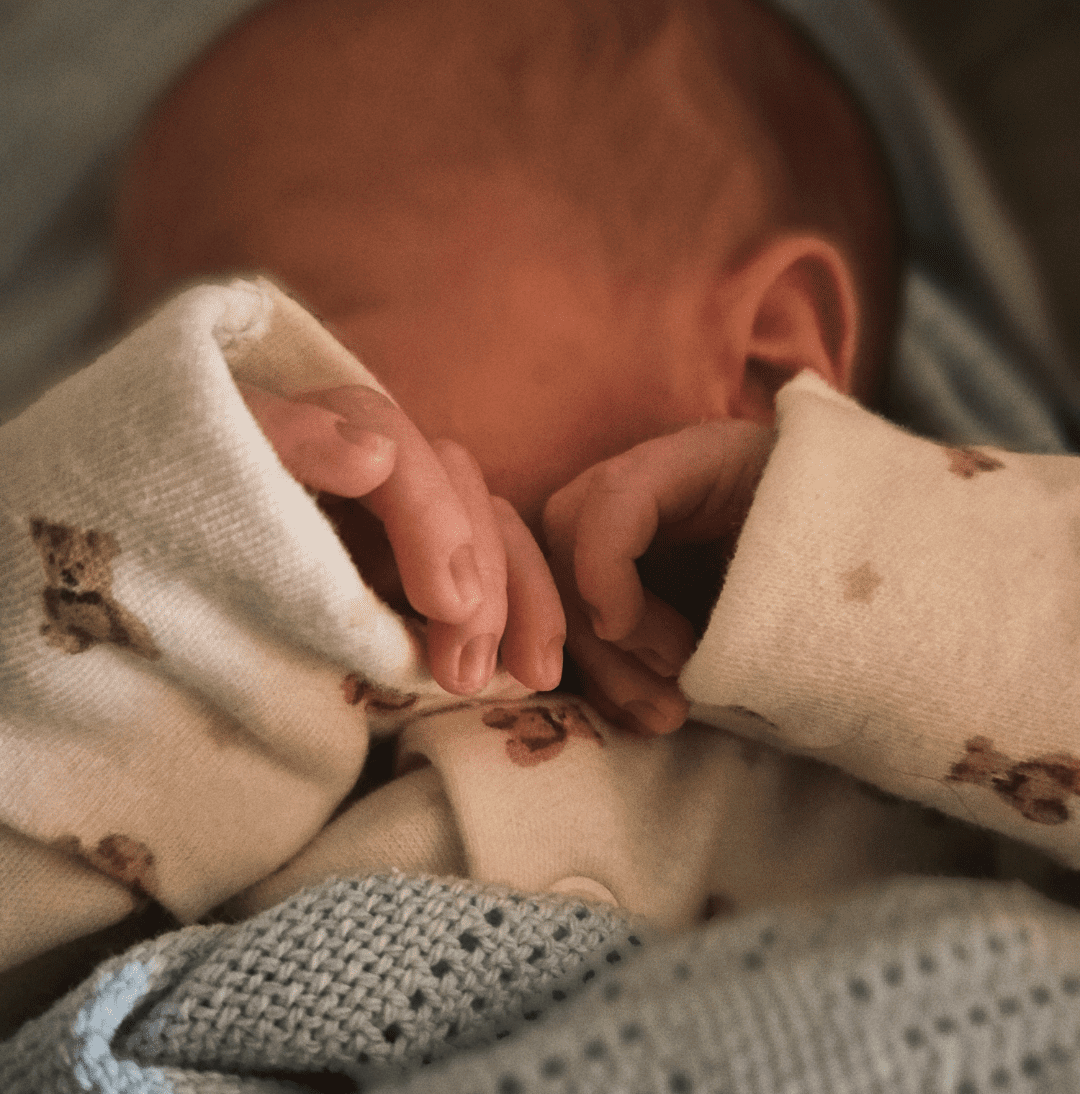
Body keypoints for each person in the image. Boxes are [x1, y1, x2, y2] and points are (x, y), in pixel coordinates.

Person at [1, 0, 1078, 1036]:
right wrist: (170, 549)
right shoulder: (257, 748)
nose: (260, 404)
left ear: (764, 358)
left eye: (320, 321)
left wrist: (836, 531)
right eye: (210, 394)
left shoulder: (925, 701)